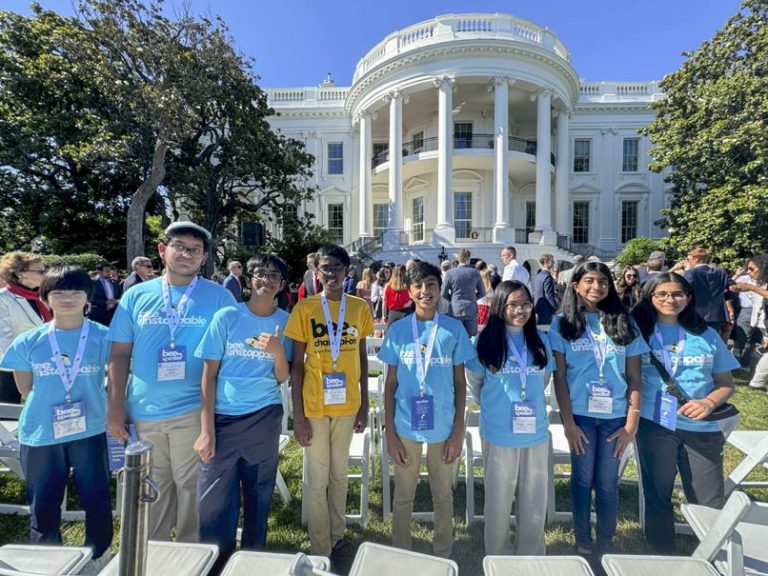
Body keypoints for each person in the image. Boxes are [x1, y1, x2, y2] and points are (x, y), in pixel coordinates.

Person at [106, 221, 237, 542]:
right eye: (179, 246)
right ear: (163, 250)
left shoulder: (220, 297)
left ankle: (193, 558)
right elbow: (120, 354)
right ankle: (154, 558)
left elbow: (232, 354)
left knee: (193, 490)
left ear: (204, 257)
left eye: (195, 250)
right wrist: (115, 407)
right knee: (150, 489)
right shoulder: (136, 296)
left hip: (194, 411)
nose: (186, 254)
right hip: (143, 412)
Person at [0, 266, 113, 572]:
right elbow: (25, 388)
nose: (66, 299)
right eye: (58, 293)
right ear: (45, 298)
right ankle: (48, 557)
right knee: (44, 500)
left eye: (75, 292)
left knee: (96, 494)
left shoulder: (103, 337)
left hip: (89, 428)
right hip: (41, 432)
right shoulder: (29, 341)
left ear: (87, 298)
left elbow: (115, 377)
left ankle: (98, 553)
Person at [193, 253, 293, 573]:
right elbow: (208, 374)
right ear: (249, 278)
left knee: (258, 492)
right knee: (214, 499)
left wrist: (278, 352)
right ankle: (216, 562)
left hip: (263, 415)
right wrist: (206, 429)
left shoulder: (286, 322)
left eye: (274, 276)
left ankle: (252, 560)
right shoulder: (226, 317)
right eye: (260, 274)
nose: (266, 280)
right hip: (222, 417)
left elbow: (282, 376)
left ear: (282, 285)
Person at [631, 272, 738, 553]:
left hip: (701, 427)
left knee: (708, 499)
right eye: (662, 294)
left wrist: (709, 403)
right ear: (650, 297)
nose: (670, 300)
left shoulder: (706, 334)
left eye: (678, 294)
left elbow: (726, 384)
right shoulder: (637, 333)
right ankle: (662, 551)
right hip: (655, 425)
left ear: (688, 298)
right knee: (658, 493)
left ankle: (713, 553)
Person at [549, 262, 648, 558]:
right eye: (589, 281)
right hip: (580, 416)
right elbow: (560, 378)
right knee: (581, 480)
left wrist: (631, 424)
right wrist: (568, 423)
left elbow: (635, 378)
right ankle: (582, 540)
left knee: (606, 482)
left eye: (603, 281)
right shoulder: (562, 324)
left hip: (615, 418)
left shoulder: (623, 322)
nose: (597, 287)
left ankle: (605, 541)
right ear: (575, 285)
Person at [285, 244, 373, 569]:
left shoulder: (359, 308)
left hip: (348, 404)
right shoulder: (305, 308)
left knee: (339, 475)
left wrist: (363, 406)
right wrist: (298, 417)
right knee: (318, 477)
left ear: (347, 271)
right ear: (316, 272)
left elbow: (362, 358)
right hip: (314, 406)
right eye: (325, 268)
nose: (331, 273)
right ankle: (320, 547)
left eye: (337, 267)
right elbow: (295, 366)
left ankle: (337, 536)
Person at [378, 261, 474, 558]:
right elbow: (390, 384)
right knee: (404, 494)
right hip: (405, 426)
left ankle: (442, 553)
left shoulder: (453, 329)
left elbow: (461, 384)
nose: (425, 291)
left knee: (443, 494)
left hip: (443, 427)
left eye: (431, 285)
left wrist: (459, 431)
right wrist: (390, 434)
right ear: (409, 291)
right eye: (418, 286)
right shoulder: (398, 330)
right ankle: (401, 554)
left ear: (439, 288)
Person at [466, 280, 554, 555]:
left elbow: (544, 379)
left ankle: (530, 555)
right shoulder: (483, 342)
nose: (521, 310)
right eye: (513, 304)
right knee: (498, 499)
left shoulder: (542, 340)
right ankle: (499, 555)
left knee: (534, 500)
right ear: (500, 306)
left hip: (535, 432)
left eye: (526, 304)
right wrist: (499, 407)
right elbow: (475, 384)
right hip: (499, 432)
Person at [0, 252, 51, 404]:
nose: (46, 274)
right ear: (20, 274)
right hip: (10, 370)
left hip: (44, 365)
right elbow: (3, 339)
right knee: (7, 419)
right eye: (40, 271)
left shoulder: (41, 297)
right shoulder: (3, 298)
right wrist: (23, 366)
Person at [730, 255, 768, 390]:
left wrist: (751, 288)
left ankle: (756, 383)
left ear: (763, 269)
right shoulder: (759, 282)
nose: (748, 272)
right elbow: (736, 288)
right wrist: (737, 288)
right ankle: (757, 383)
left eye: (752, 269)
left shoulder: (758, 285)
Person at [683, 247, 733, 339]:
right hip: (716, 315)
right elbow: (727, 290)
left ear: (695, 259)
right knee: (713, 341)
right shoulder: (721, 272)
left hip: (695, 314)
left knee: (697, 341)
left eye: (688, 259)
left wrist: (686, 271)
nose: (687, 261)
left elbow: (684, 289)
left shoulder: (690, 273)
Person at [442, 249, 486, 336]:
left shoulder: (450, 273)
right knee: (470, 338)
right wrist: (472, 298)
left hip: (455, 308)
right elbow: (482, 293)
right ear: (468, 259)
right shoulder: (475, 273)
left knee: (455, 337)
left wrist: (453, 299)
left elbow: (443, 293)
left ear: (458, 259)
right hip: (471, 308)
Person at [88, 262, 121, 326]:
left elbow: (119, 295)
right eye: (107, 271)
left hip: (113, 315)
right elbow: (90, 298)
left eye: (110, 271)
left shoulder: (114, 282)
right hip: (98, 315)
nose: (109, 273)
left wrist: (117, 300)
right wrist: (106, 302)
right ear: (99, 271)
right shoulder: (92, 283)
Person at [534, 253, 558, 325]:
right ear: (546, 262)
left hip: (539, 307)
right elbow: (549, 295)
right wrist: (555, 309)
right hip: (546, 309)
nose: (554, 262)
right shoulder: (547, 276)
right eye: (552, 260)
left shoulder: (539, 275)